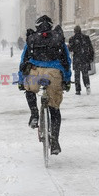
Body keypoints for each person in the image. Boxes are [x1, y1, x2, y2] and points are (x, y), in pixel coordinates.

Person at [18, 15, 72, 155]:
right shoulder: (58, 38)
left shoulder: (32, 39)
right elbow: (66, 62)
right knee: (54, 108)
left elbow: (23, 62)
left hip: (35, 71)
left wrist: (21, 81)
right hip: (54, 73)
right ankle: (54, 141)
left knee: (29, 90)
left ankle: (35, 114)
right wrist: (66, 80)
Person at [68, 25, 94, 95]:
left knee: (77, 75)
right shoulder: (86, 38)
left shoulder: (72, 39)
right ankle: (87, 85)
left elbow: (70, 49)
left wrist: (70, 46)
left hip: (77, 59)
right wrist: (91, 57)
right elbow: (91, 48)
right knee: (85, 74)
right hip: (85, 58)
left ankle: (78, 90)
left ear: (74, 31)